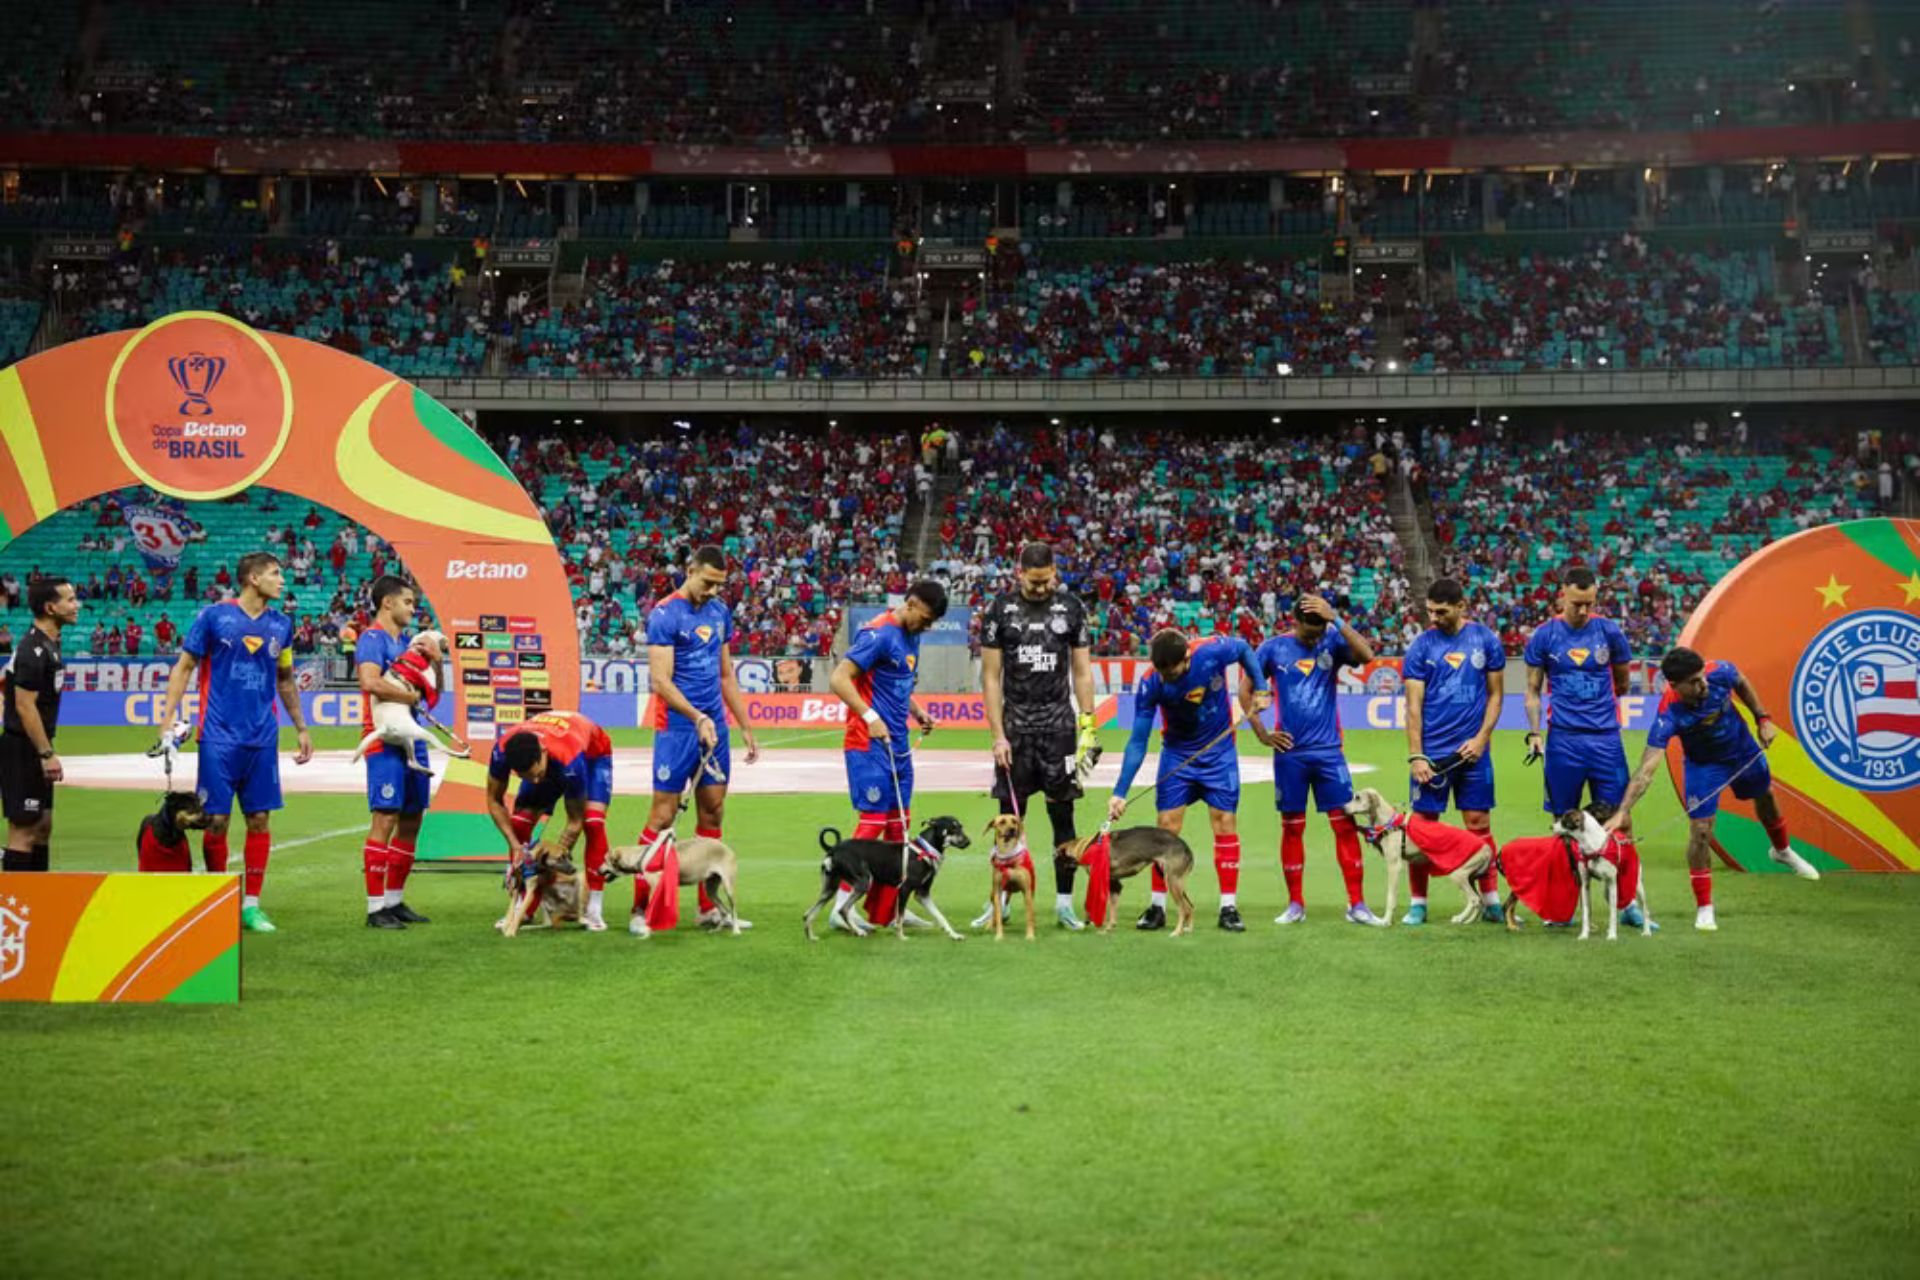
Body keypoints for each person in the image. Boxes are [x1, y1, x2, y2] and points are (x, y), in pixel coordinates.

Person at [154, 552, 314, 933]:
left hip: (262, 737)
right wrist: (166, 719)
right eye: (276, 574)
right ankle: (218, 898)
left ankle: (251, 906)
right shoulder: (213, 617)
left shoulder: (282, 625)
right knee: (215, 820)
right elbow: (185, 667)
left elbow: (286, 679)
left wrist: (302, 728)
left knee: (259, 819)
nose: (282, 580)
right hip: (218, 737)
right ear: (254, 578)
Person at [1607, 648, 1819, 931]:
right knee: (1701, 831)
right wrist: (1623, 811)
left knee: (1765, 796)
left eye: (1701, 678)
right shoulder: (1668, 714)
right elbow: (1646, 770)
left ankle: (1781, 850)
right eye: (1693, 682)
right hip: (1703, 766)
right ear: (1674, 685)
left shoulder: (1719, 671)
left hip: (1742, 750)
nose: (1702, 684)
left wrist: (1762, 719)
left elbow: (1741, 681)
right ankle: (1705, 907)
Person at [1109, 629, 1269, 932]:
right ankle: (1157, 907)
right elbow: (1138, 741)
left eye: (1173, 671)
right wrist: (1120, 792)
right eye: (1161, 670)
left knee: (1224, 821)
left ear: (1187, 657)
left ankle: (1228, 907)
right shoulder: (1150, 683)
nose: (1166, 676)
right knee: (1166, 826)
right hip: (1177, 755)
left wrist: (1261, 688)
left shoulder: (1211, 652)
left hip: (1219, 754)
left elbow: (1246, 649)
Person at [977, 542, 1100, 931]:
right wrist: (998, 735)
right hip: (1016, 730)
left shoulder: (1073, 608)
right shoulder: (1000, 611)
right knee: (1009, 819)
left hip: (1060, 729)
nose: (1041, 588)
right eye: (1034, 583)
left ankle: (1064, 905)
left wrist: (1087, 727)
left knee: (1063, 816)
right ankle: (1002, 904)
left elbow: (1081, 672)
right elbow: (991, 678)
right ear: (1019, 574)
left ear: (1054, 572)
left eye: (1047, 581)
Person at [641, 545, 761, 931]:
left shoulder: (720, 612)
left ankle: (707, 908)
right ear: (689, 570)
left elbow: (726, 674)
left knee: (713, 809)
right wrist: (696, 717)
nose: (712, 590)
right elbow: (660, 681)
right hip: (677, 728)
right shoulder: (664, 614)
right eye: (707, 582)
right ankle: (640, 909)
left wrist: (743, 724)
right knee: (661, 816)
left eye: (719, 584)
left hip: (716, 730)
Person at [1521, 565, 1648, 928]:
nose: (1583, 610)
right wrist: (1534, 731)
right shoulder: (1545, 636)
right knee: (1562, 824)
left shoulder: (1609, 631)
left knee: (1619, 821)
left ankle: (1626, 905)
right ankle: (1561, 909)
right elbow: (1532, 690)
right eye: (1577, 603)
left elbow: (1622, 682)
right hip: (1563, 741)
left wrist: (1597, 711)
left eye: (1589, 603)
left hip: (1606, 739)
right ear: (1562, 594)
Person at [1251, 594, 1386, 927]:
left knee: (1345, 826)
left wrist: (1336, 620)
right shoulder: (1271, 649)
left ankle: (1357, 904)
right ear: (1294, 621)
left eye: (1319, 631)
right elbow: (1245, 690)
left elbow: (1367, 655)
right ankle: (1295, 904)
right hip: (1290, 754)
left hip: (1329, 752)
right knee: (1292, 829)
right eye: (1309, 632)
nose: (1314, 639)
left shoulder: (1333, 640)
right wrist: (1261, 732)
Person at [827, 580, 945, 927]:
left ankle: (888, 911)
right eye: (924, 618)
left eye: (931, 622)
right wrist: (870, 716)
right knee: (873, 823)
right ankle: (839, 908)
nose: (927, 626)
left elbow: (898, 683)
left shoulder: (912, 636)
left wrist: (918, 711)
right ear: (909, 604)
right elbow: (839, 678)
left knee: (899, 829)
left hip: (898, 744)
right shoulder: (878, 633)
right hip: (868, 742)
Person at [1399, 577, 1505, 925]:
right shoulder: (1421, 647)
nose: (1433, 618)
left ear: (1462, 606)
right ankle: (1418, 903)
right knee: (1422, 829)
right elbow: (1413, 707)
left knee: (1479, 824)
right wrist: (1416, 755)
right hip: (1432, 757)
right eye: (1429, 611)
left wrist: (1481, 739)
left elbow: (1495, 695)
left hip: (1474, 753)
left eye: (1441, 612)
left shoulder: (1485, 640)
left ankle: (1490, 899)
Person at [485, 710, 616, 930]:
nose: (535, 781)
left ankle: (593, 909)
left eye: (537, 773)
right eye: (527, 777)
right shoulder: (502, 751)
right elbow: (494, 800)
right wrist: (515, 846)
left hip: (592, 756)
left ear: (543, 753)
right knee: (519, 823)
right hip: (555, 753)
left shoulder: (570, 760)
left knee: (592, 823)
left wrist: (553, 862)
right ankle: (523, 908)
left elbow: (575, 822)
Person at [354, 575, 433, 930]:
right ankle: (374, 909)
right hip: (383, 738)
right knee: (385, 818)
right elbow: (370, 683)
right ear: (388, 603)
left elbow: (429, 695)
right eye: (408, 602)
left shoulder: (406, 644)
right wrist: (410, 697)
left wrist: (436, 665)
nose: (412, 609)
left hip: (413, 737)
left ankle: (394, 900)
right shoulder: (372, 640)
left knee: (412, 819)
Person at [2, 577, 78, 871]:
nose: (76, 606)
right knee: (23, 831)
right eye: (69, 600)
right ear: (50, 607)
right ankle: (15, 907)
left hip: (34, 747)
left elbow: (10, 681)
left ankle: (42, 902)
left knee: (43, 826)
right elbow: (25, 706)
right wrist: (47, 755)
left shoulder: (49, 644)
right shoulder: (33, 648)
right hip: (23, 749)